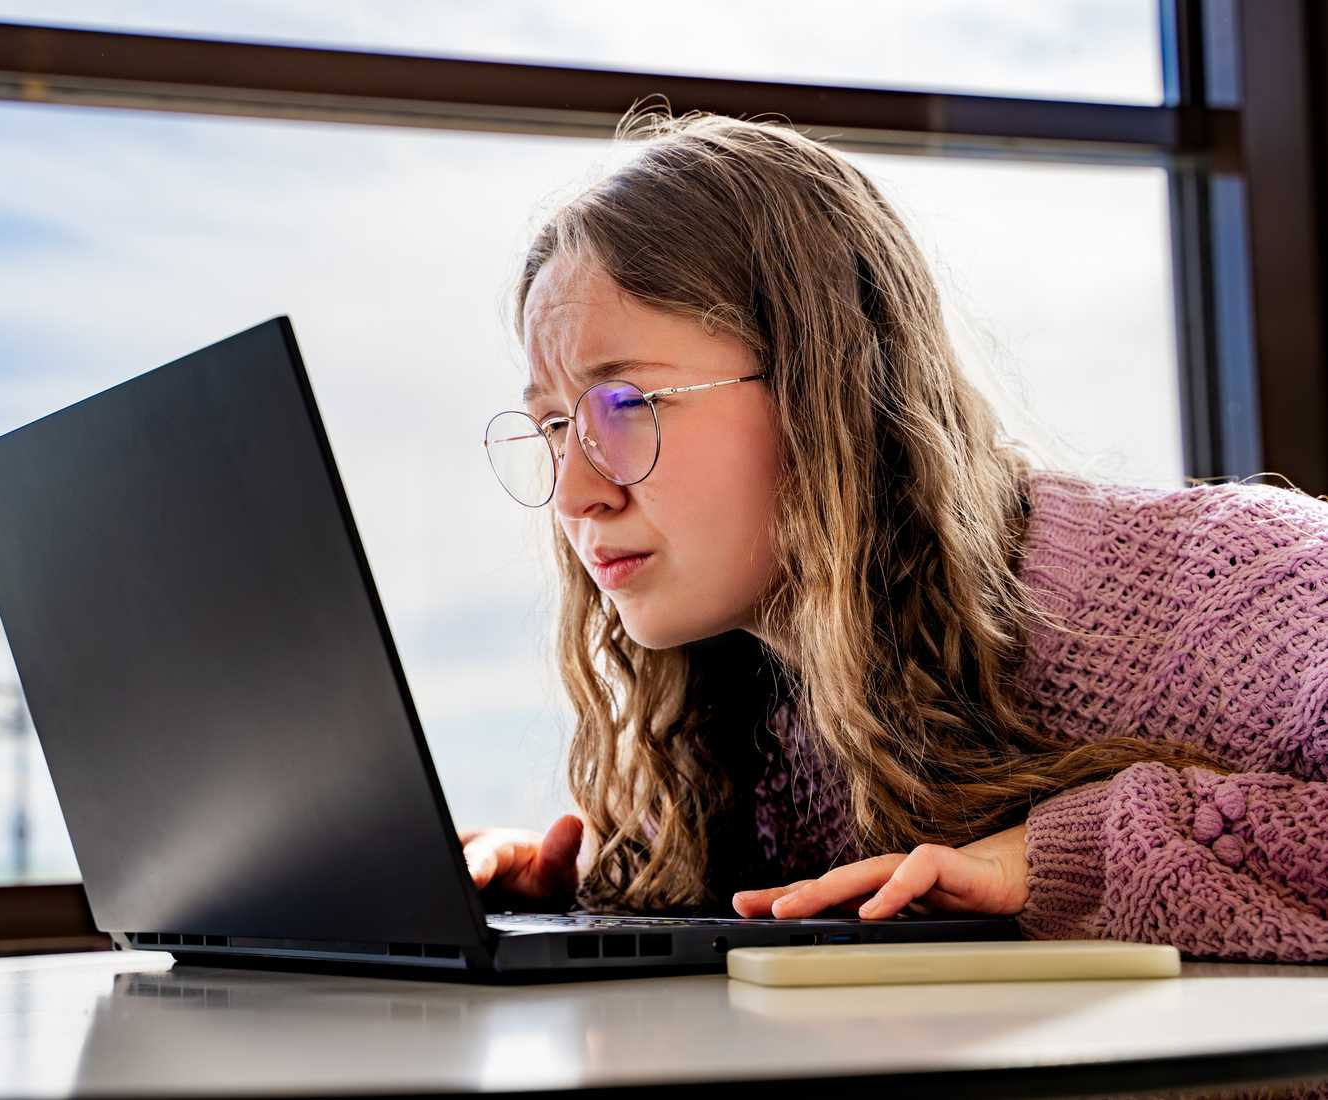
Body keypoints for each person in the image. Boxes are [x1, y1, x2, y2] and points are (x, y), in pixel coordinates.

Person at [463, 105, 1328, 963]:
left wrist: (1064, 860)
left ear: (822, 389)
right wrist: (578, 891)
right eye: (554, 427)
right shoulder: (733, 718)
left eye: (624, 407)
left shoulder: (1242, 583)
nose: (573, 496)